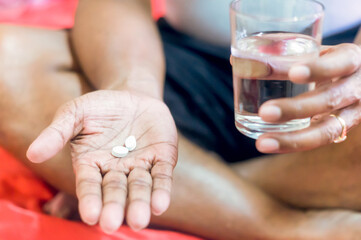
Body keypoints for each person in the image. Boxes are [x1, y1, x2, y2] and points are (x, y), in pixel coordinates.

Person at [1, 0, 361, 239]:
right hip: (174, 58)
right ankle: (282, 227)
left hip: (338, 56)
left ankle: (190, 189)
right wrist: (135, 87)